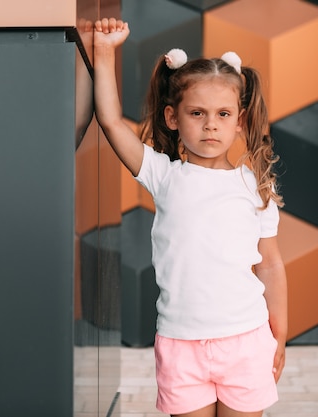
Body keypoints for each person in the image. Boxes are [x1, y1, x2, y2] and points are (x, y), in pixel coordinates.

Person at [93, 18, 288, 417]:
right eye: (197, 113)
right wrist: (104, 52)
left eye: (222, 114)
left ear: (240, 121)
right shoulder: (164, 175)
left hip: (246, 341)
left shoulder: (255, 188)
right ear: (172, 117)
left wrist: (280, 334)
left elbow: (270, 263)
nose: (210, 124)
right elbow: (111, 122)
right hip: (181, 345)